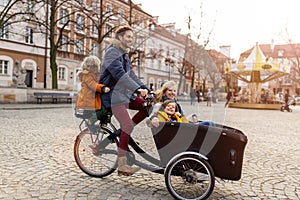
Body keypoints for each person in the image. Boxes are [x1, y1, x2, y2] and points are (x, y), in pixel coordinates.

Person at [100, 25, 151, 176]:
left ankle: (125, 133)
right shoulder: (112, 53)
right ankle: (122, 166)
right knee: (127, 124)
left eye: (132, 37)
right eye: (128, 36)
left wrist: (146, 89)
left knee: (147, 107)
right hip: (112, 96)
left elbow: (132, 76)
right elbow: (120, 76)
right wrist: (137, 90)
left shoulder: (124, 55)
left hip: (123, 94)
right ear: (120, 37)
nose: (131, 39)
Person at [76, 55, 110, 125]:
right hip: (87, 101)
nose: (96, 69)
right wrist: (103, 88)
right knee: (103, 109)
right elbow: (92, 85)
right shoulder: (87, 75)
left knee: (106, 108)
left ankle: (101, 123)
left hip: (92, 100)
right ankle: (91, 121)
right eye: (94, 67)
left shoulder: (94, 74)